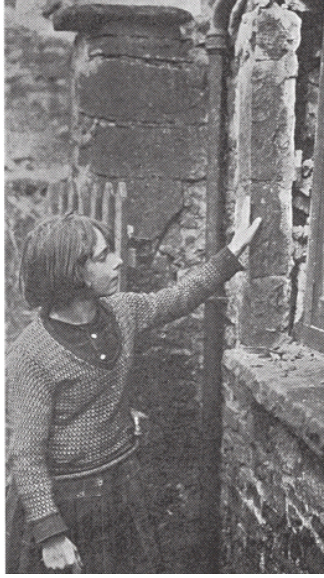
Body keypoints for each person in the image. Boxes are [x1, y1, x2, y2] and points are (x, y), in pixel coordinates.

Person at [6, 212, 261, 573]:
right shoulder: (30, 356)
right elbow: (25, 457)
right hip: (64, 504)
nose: (118, 260)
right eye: (103, 255)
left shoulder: (123, 311)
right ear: (71, 272)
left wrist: (232, 253)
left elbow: (179, 297)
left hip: (122, 485)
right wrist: (50, 534)